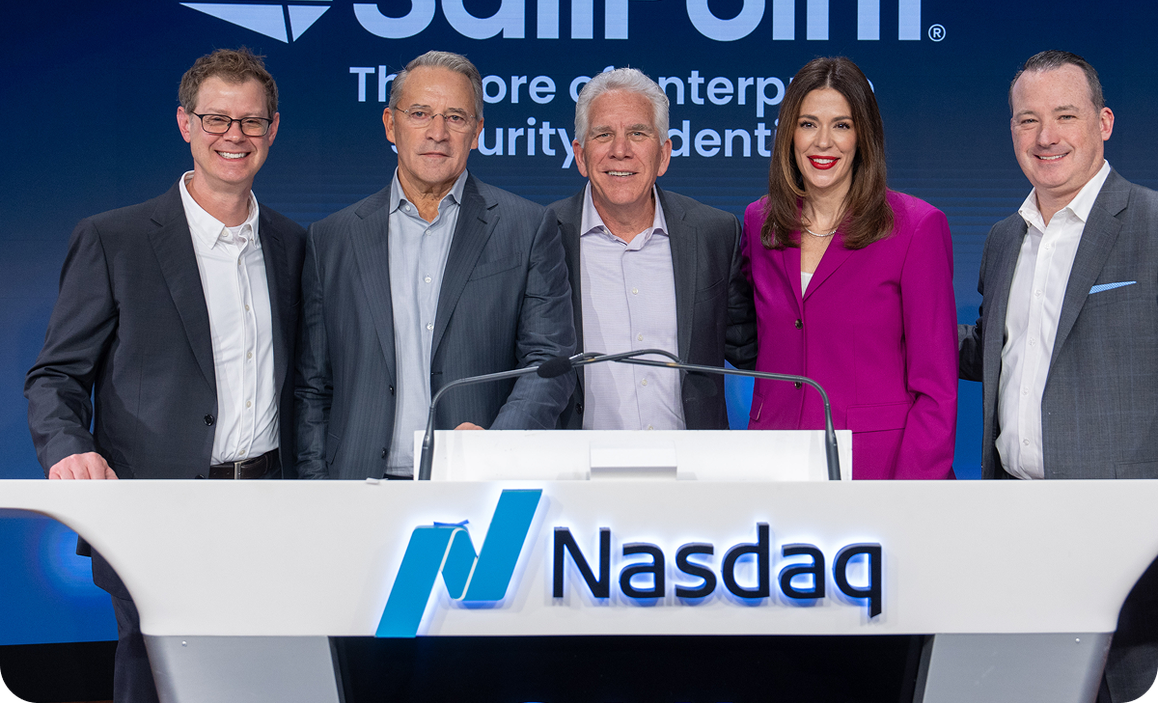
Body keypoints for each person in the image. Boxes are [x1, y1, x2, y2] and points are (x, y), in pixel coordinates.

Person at [25, 48, 306, 703]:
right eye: (216, 119)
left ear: (273, 129)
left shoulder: (296, 246)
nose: (233, 136)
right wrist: (69, 449)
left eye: (251, 122)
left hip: (273, 513)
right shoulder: (114, 238)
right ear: (185, 124)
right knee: (156, 685)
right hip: (154, 512)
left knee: (261, 686)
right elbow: (56, 375)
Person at [959, 50, 1157, 702]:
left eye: (1064, 116)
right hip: (1021, 532)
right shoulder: (1001, 240)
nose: (1046, 137)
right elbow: (996, 351)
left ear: (1103, 122)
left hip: (1130, 549)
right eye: (1028, 120)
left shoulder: (1153, 226)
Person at [295, 50, 575, 480]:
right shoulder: (330, 239)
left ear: (478, 131)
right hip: (353, 489)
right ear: (391, 124)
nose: (437, 133)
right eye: (420, 113)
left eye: (456, 118)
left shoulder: (528, 226)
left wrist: (495, 450)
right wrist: (316, 487)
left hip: (477, 485)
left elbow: (549, 364)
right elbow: (313, 387)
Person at [741, 56, 957, 479]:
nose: (823, 142)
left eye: (841, 125)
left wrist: (910, 495)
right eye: (807, 124)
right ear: (789, 134)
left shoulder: (916, 227)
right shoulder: (759, 222)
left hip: (877, 467)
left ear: (863, 136)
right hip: (775, 462)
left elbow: (936, 390)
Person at [549, 68, 756, 429]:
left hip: (690, 474)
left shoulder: (713, 234)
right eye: (603, 134)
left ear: (663, 155)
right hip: (576, 473)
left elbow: (756, 347)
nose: (620, 151)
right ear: (580, 156)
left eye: (637, 133)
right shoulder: (543, 235)